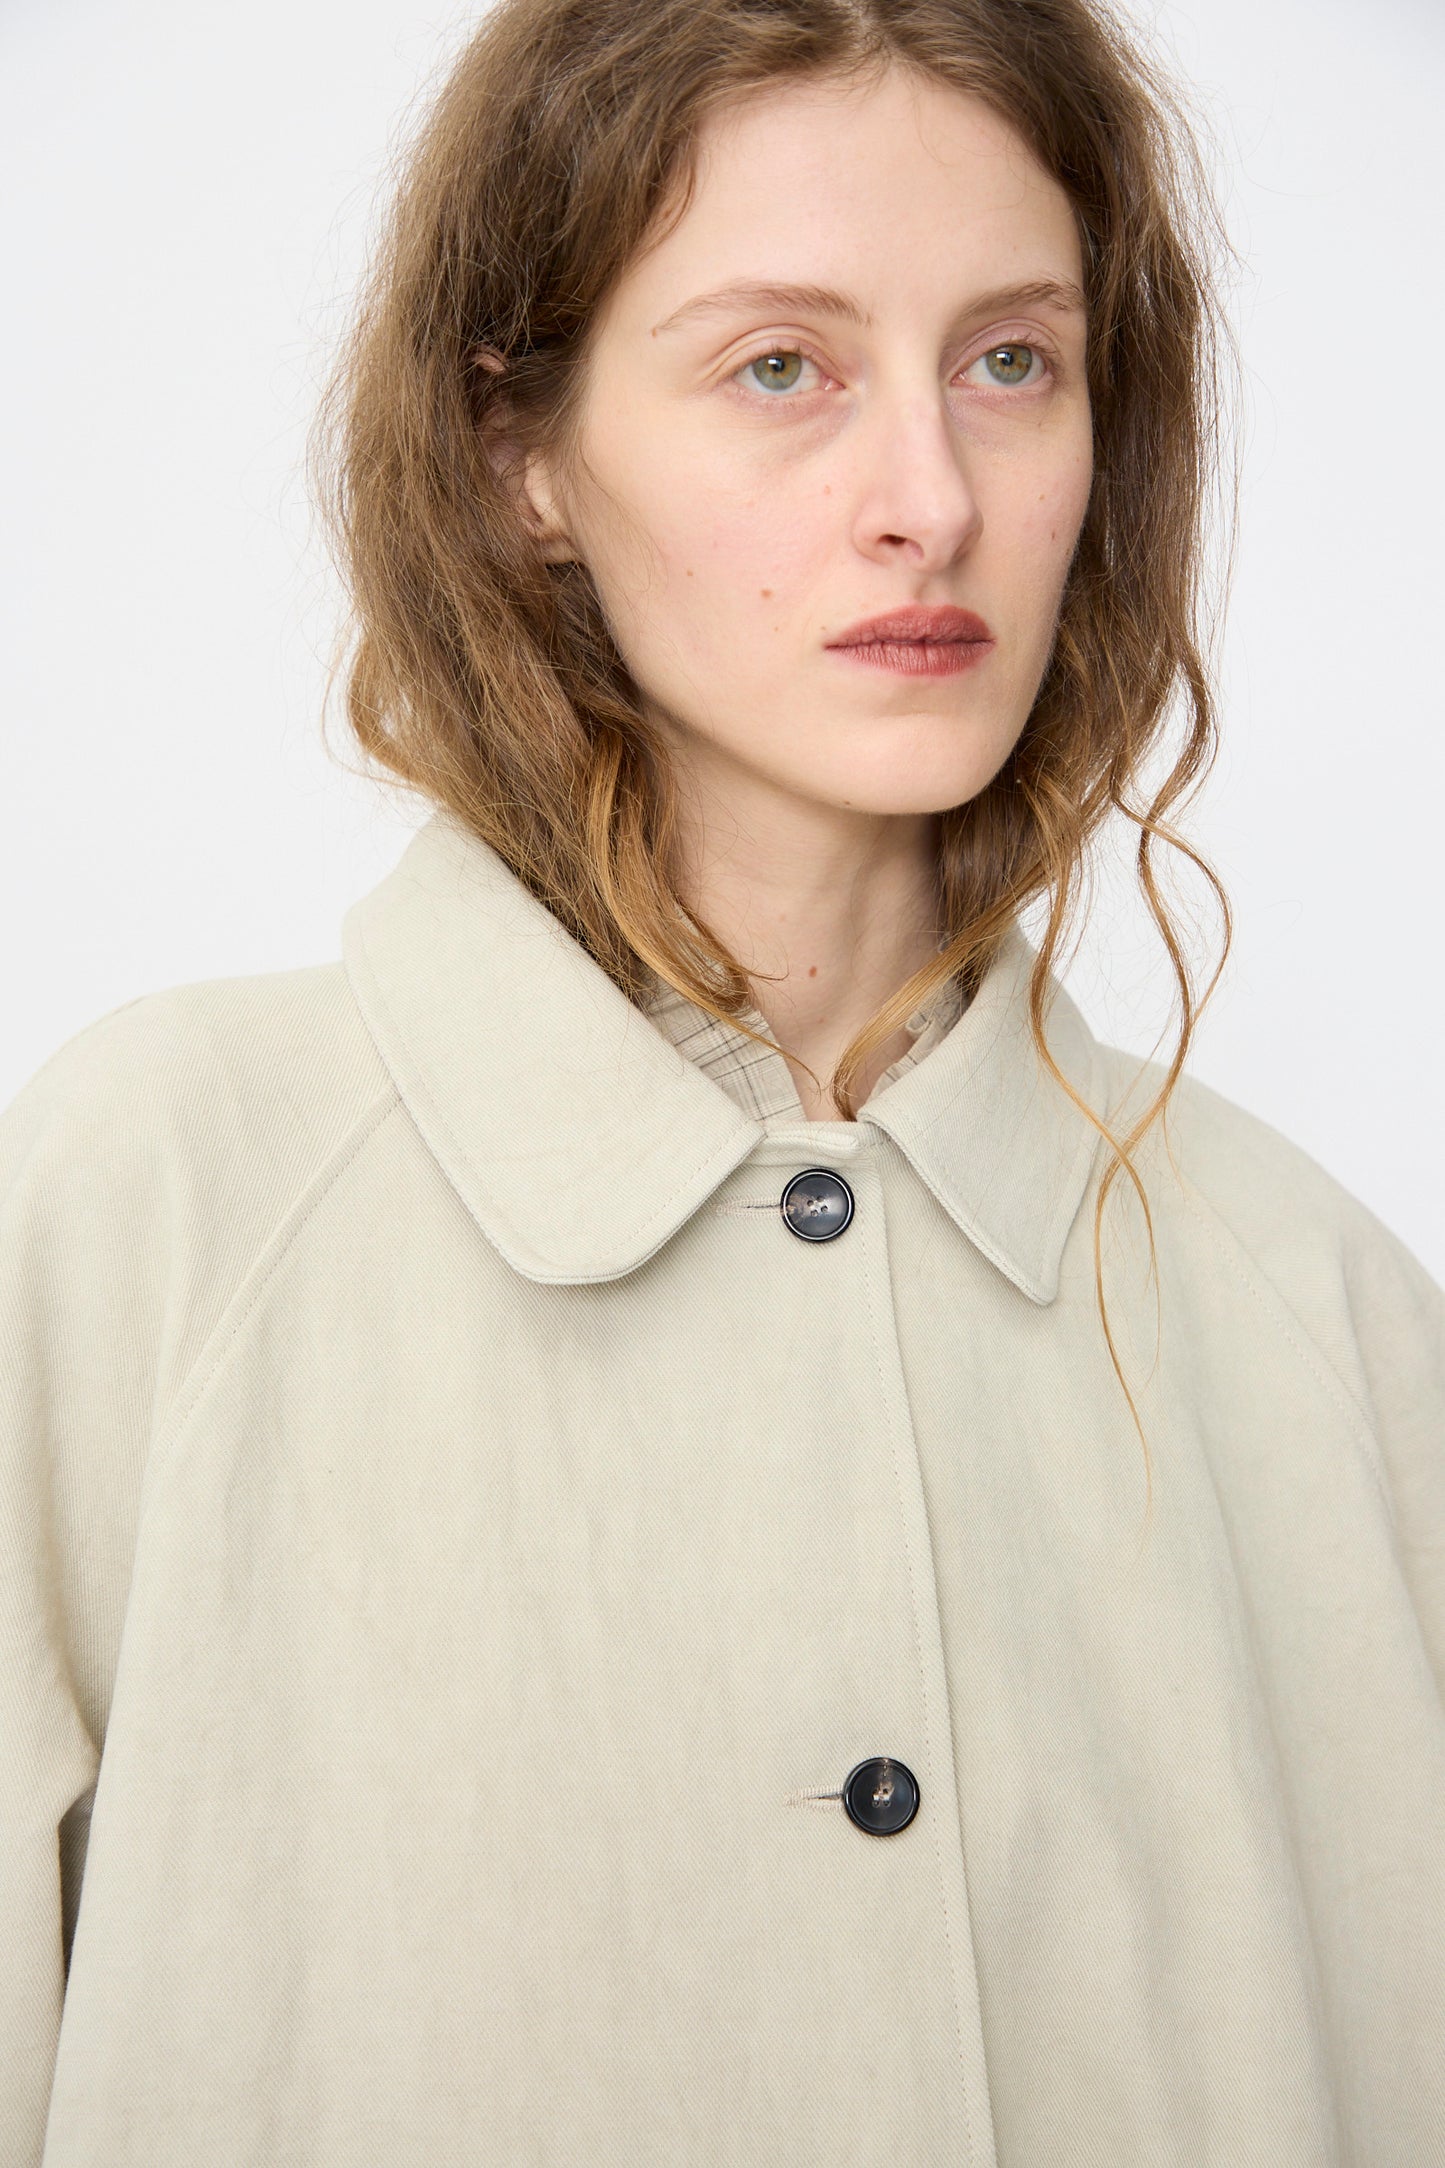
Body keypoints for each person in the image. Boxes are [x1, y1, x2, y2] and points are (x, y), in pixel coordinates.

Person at [3, 0, 1442, 2160]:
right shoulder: (140, 1218)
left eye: (1011, 360)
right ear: (524, 452)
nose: (931, 501)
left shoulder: (1321, 1315)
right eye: (784, 366)